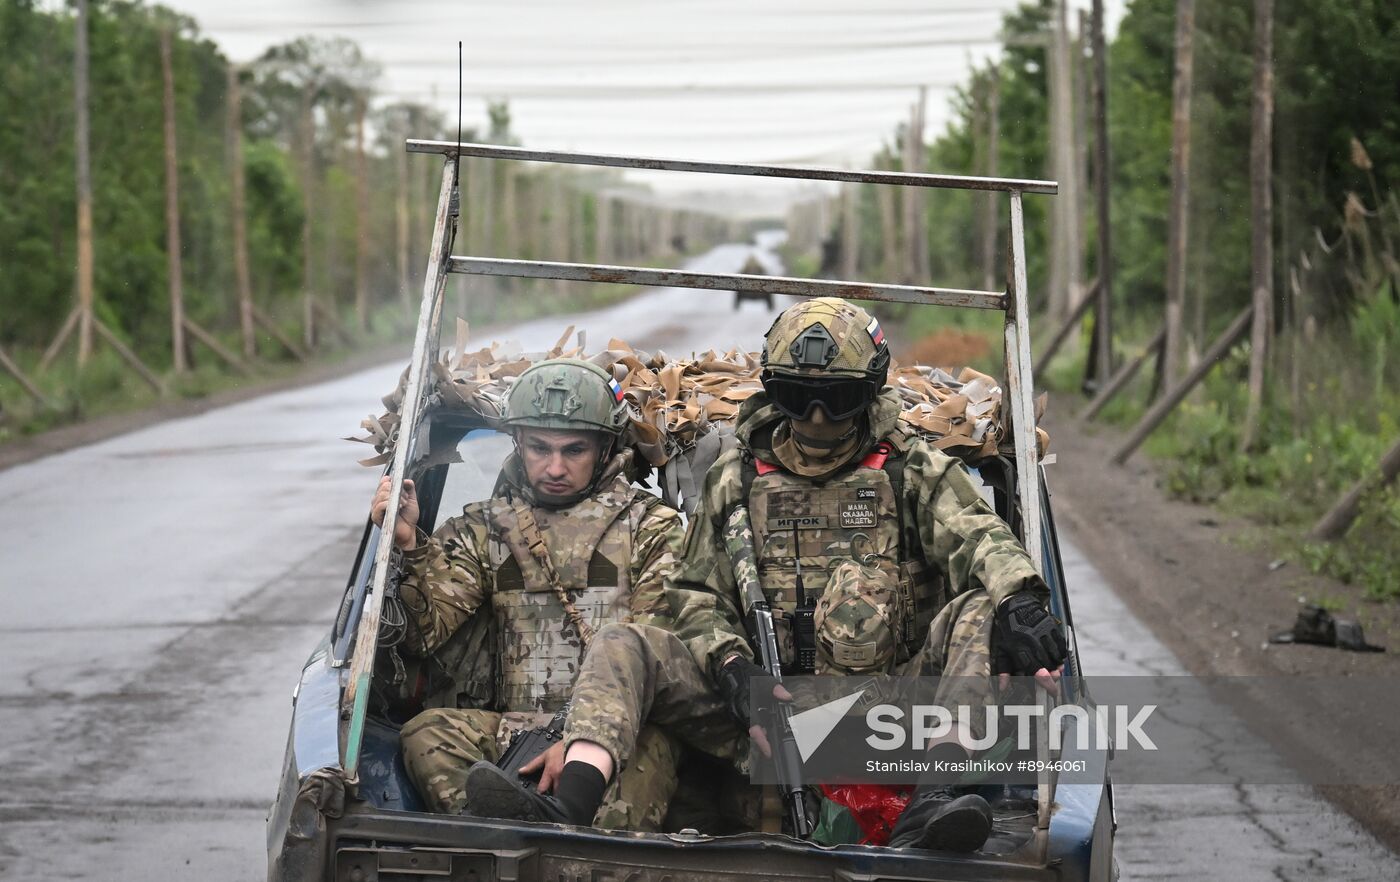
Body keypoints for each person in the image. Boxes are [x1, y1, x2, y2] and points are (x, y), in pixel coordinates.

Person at [463, 297, 1067, 853]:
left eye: (837, 398)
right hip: (759, 713)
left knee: (982, 610)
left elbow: (982, 540)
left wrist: (1022, 599)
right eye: (800, 396)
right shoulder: (739, 477)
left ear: (870, 392)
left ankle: (934, 802)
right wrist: (731, 667)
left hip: (885, 717)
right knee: (624, 642)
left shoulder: (913, 469)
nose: (820, 417)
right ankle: (566, 808)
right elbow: (695, 594)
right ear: (775, 393)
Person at [370, 357, 684, 831]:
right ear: (517, 443)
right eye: (539, 448)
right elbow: (424, 633)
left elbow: (654, 651)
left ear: (604, 448)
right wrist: (410, 545)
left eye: (573, 450)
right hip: (514, 728)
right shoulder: (487, 527)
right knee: (426, 733)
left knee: (643, 768)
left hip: (617, 738)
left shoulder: (651, 527)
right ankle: (493, 836)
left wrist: (579, 742)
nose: (554, 467)